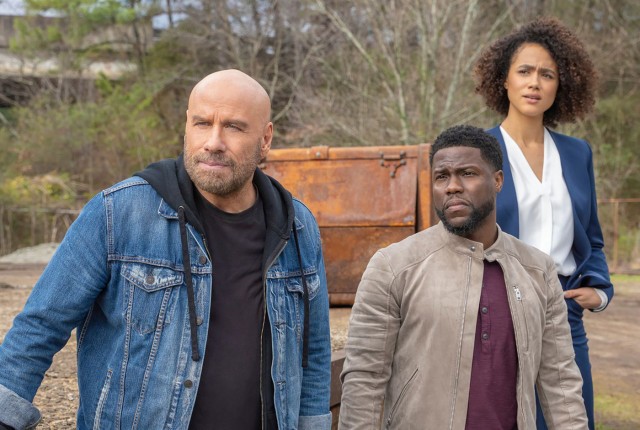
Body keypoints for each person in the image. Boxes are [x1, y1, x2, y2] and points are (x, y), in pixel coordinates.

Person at [0, 69, 332, 430]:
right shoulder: (118, 213)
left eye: (234, 127)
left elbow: (313, 354)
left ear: (265, 139)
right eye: (202, 123)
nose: (214, 142)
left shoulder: (297, 227)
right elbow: (39, 327)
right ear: (187, 127)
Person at [338, 124, 587, 429]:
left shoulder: (537, 270)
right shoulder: (394, 266)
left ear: (498, 180)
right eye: (442, 177)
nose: (452, 186)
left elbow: (560, 380)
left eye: (467, 173)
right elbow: (364, 378)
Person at [473, 17, 613, 430]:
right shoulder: (477, 150)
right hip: (497, 311)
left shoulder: (577, 153)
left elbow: (592, 239)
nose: (535, 82)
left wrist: (600, 291)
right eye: (525, 71)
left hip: (564, 312)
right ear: (504, 80)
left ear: (560, 85)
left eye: (547, 74)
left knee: (573, 420)